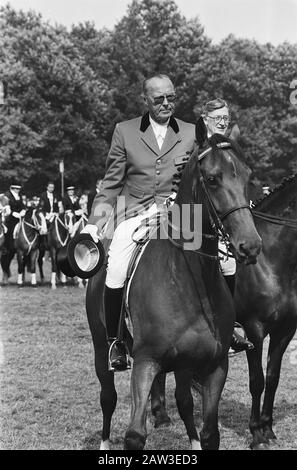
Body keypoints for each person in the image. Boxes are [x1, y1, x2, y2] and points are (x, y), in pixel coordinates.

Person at [82, 74, 196, 371]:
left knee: (217, 259)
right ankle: (116, 341)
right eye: (159, 99)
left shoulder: (191, 131)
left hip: (180, 213)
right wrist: (94, 224)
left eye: (171, 97)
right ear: (145, 99)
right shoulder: (125, 131)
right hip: (135, 212)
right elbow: (110, 184)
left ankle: (222, 328)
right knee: (117, 263)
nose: (166, 104)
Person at [196, 98, 254, 352]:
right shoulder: (197, 139)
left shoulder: (229, 143)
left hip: (222, 213)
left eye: (225, 117)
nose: (223, 121)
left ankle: (229, 326)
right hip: (192, 211)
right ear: (206, 119)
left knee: (229, 262)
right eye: (217, 117)